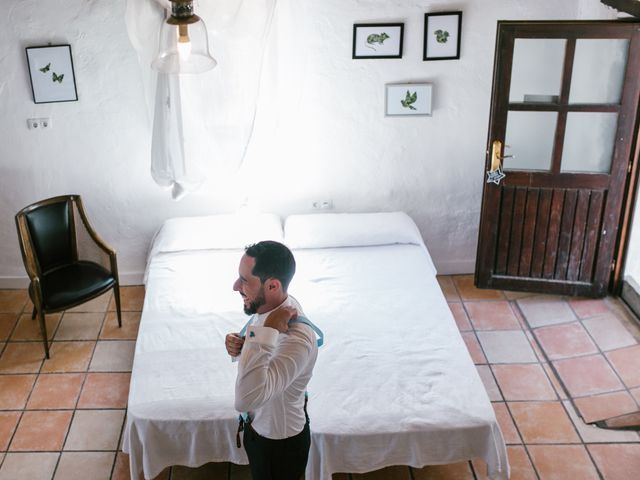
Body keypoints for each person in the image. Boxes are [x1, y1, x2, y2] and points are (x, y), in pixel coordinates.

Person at [225, 241, 319, 480]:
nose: (236, 286)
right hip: (259, 428)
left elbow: (245, 399)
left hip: (279, 444)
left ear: (273, 285)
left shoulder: (296, 339)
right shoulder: (272, 310)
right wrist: (244, 345)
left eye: (244, 280)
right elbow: (265, 357)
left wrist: (264, 334)